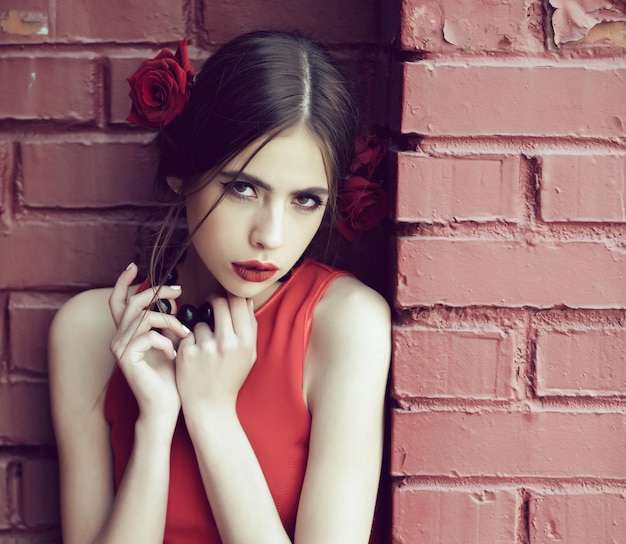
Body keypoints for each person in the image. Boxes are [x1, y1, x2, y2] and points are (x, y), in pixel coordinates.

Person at [49, 30, 391, 544]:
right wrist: (157, 421)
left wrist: (212, 415)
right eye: (243, 187)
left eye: (305, 201)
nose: (270, 236)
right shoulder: (91, 332)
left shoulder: (345, 325)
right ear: (182, 172)